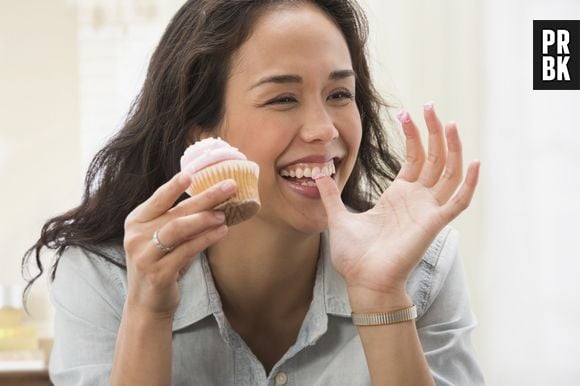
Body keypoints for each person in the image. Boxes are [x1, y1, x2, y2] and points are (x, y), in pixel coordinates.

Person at [23, 0, 485, 385]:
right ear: (200, 134)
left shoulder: (418, 267)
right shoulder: (107, 276)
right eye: (283, 98)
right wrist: (147, 310)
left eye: (340, 94)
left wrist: (382, 297)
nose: (324, 130)